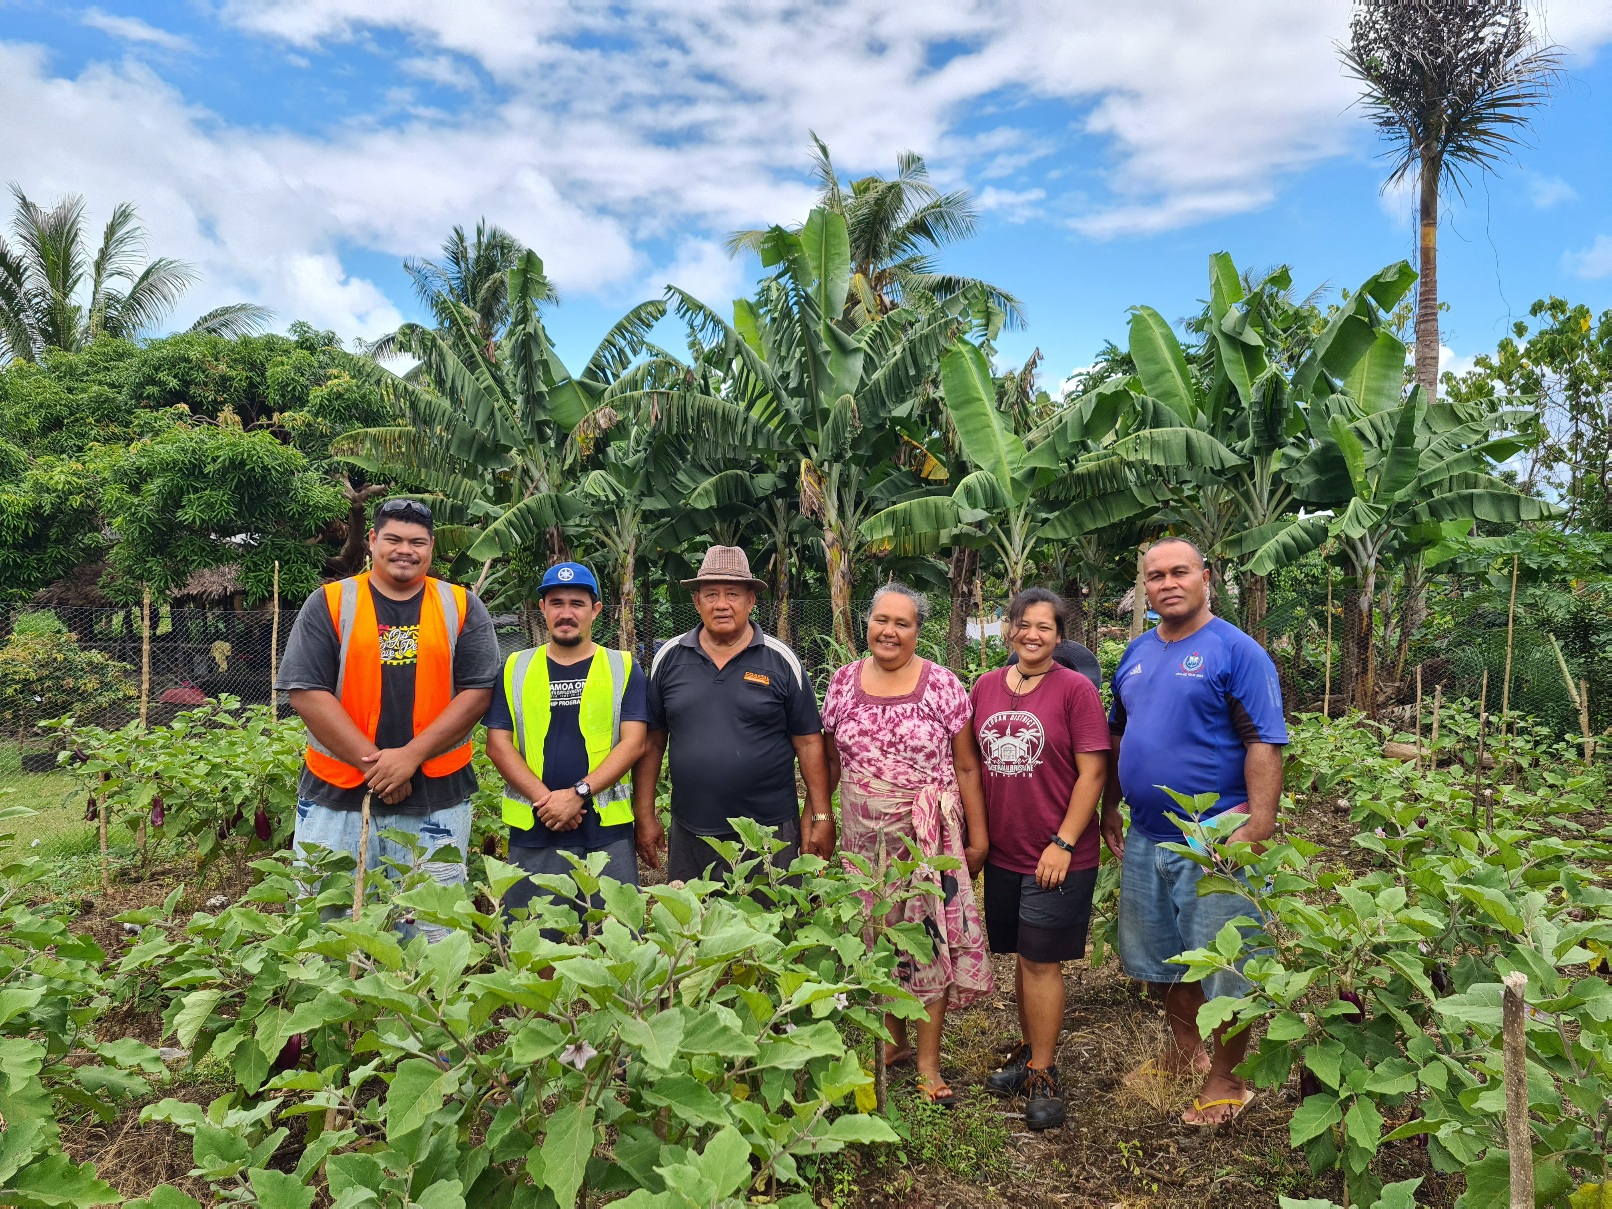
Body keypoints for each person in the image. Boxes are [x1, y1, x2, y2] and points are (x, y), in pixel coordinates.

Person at [1101, 536, 1287, 1126]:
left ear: (1206, 577)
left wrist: (1257, 824)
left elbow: (1264, 740)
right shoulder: (1134, 652)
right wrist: (1111, 806)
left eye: (1179, 572)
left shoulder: (1238, 651)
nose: (1167, 584)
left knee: (1225, 967)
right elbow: (1117, 738)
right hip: (1146, 834)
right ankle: (1186, 1055)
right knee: (1160, 960)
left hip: (1214, 837)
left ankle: (1227, 1080)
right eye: (1155, 576)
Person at [278, 497, 500, 940]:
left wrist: (411, 756)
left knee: (432, 932)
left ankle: (422, 1010)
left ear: (431, 547)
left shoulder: (462, 606)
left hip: (436, 798)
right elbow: (306, 691)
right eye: (393, 539)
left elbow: (478, 693)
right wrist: (374, 765)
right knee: (324, 928)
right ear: (373, 541)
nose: (405, 550)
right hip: (335, 796)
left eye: (417, 542)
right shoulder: (330, 602)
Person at [821, 583, 993, 1107]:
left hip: (926, 841)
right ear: (866, 623)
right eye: (881, 620)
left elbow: (966, 764)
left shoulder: (941, 685)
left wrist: (977, 837)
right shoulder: (843, 683)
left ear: (919, 631)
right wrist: (820, 815)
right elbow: (831, 764)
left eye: (902, 623)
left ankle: (926, 1063)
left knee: (926, 941)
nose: (889, 631)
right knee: (875, 940)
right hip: (862, 843)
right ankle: (890, 1045)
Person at [972, 587, 1110, 1131]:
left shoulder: (1075, 690)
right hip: (1004, 851)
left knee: (1040, 961)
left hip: (1056, 855)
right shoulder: (983, 687)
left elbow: (1093, 773)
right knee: (1021, 957)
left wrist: (1065, 840)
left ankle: (1045, 1073)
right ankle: (1030, 1054)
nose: (1033, 635)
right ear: (1009, 629)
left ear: (1059, 636)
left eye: (1045, 628)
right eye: (1024, 625)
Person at [632, 545, 834, 883]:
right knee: (692, 928)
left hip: (769, 832)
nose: (721, 604)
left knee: (771, 929)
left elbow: (810, 744)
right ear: (696, 601)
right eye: (711, 594)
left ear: (751, 600)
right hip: (691, 830)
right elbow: (652, 743)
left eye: (733, 594)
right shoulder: (669, 657)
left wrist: (823, 817)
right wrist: (645, 813)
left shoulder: (781, 660)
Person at [483, 562, 649, 921]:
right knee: (536, 942)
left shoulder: (622, 666)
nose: (566, 613)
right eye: (556, 603)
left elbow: (634, 743)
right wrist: (548, 802)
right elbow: (497, 745)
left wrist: (578, 795)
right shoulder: (515, 667)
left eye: (577, 603)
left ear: (596, 610)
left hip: (606, 832)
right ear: (542, 609)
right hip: (535, 829)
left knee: (616, 941)